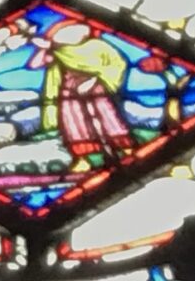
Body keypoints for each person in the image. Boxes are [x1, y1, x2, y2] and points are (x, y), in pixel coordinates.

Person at [29, 19, 136, 169]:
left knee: (108, 119)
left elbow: (116, 64)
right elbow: (34, 65)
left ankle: (127, 150)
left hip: (96, 90)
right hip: (69, 94)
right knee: (74, 125)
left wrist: (95, 81)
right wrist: (44, 48)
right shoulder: (59, 52)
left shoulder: (99, 46)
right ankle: (82, 159)